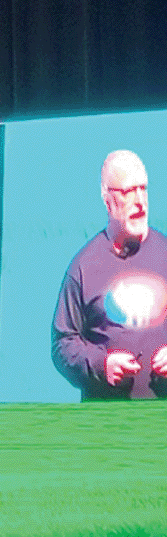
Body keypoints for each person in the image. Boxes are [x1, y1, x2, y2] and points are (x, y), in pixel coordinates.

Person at [51, 148, 167, 400]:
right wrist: (101, 364)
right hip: (107, 425)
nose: (140, 202)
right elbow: (62, 345)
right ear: (107, 200)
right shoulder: (83, 266)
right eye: (128, 192)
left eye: (143, 189)